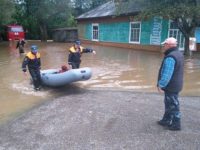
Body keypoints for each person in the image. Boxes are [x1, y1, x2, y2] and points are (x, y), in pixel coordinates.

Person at [157, 37, 184, 131]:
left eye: (164, 44)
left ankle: (176, 124)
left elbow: (166, 74)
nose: (163, 46)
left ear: (168, 45)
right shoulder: (179, 54)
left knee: (173, 104)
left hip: (171, 86)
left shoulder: (171, 57)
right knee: (169, 103)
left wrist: (160, 85)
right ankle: (166, 120)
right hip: (176, 84)